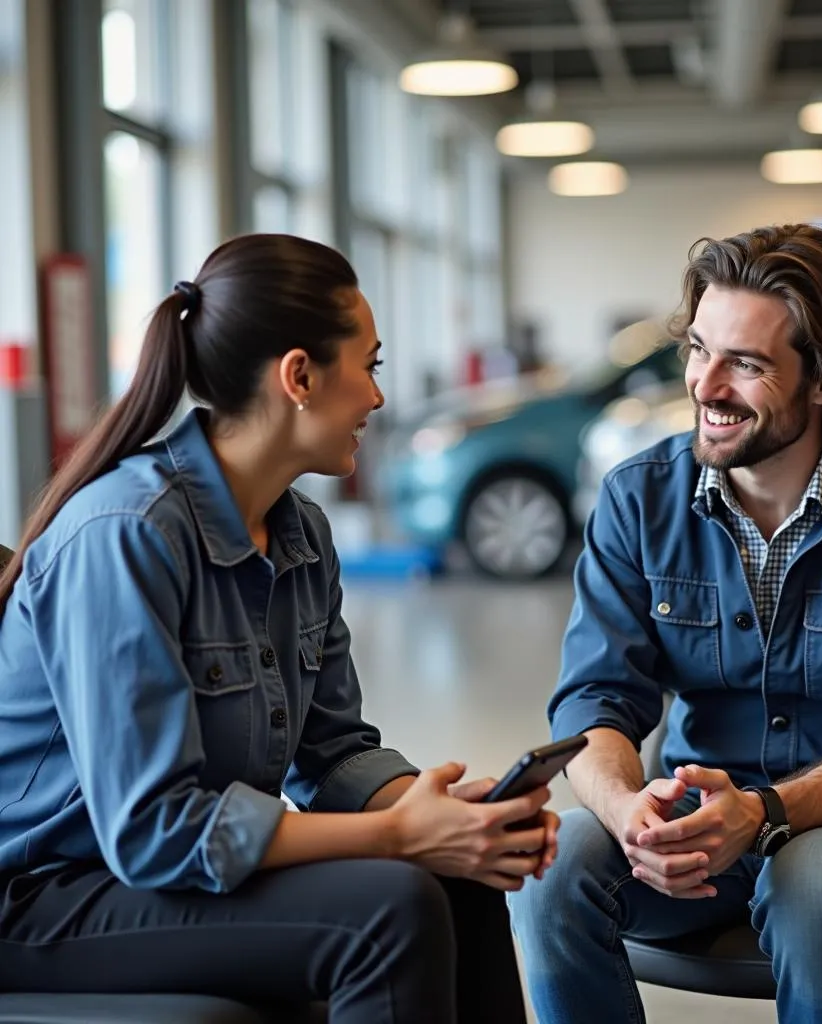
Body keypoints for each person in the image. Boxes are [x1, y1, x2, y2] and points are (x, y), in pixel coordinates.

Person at [0, 233, 559, 1024]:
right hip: (45, 898)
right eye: (369, 366)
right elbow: (155, 830)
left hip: (155, 878)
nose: (377, 397)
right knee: (387, 909)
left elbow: (332, 754)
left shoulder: (300, 535)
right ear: (299, 376)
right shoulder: (124, 535)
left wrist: (450, 818)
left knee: (457, 880)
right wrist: (402, 837)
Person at [509, 223, 822, 1024]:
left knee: (810, 883)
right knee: (554, 865)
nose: (706, 385)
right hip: (708, 812)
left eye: (745, 362)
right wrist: (624, 812)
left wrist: (764, 812)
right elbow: (595, 699)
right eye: (700, 349)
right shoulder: (639, 499)